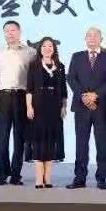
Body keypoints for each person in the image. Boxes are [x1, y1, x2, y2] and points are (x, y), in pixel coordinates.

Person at [67, 27, 106, 189]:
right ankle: (79, 178)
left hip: (101, 106)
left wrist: (95, 95)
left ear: (101, 39)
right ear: (85, 38)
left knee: (102, 143)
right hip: (81, 106)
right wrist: (84, 96)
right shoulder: (77, 56)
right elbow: (71, 78)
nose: (92, 38)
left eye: (96, 35)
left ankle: (102, 178)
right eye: (89, 35)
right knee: (81, 143)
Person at [0, 20, 36, 186]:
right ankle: (1, 174)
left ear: (19, 32)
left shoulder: (31, 52)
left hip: (22, 96)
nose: (10, 33)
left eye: (13, 30)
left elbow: (34, 78)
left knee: (20, 137)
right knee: (1, 137)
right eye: (7, 31)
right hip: (3, 96)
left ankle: (16, 175)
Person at [25, 37, 67, 189]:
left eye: (50, 46)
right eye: (44, 46)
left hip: (54, 108)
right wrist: (29, 107)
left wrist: (64, 106)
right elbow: (29, 89)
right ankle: (38, 179)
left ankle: (47, 179)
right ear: (40, 49)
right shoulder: (34, 65)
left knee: (51, 143)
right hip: (38, 107)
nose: (47, 48)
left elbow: (63, 90)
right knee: (38, 142)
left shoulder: (60, 66)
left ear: (54, 49)